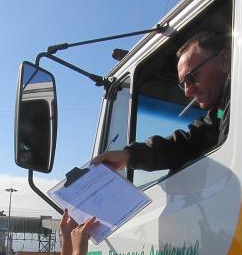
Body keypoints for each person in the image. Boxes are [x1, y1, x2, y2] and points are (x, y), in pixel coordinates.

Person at [92, 30, 231, 172]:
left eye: (191, 77)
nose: (187, 91)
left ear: (224, 61)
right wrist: (129, 156)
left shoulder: (241, 102)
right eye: (182, 84)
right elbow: (189, 142)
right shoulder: (220, 113)